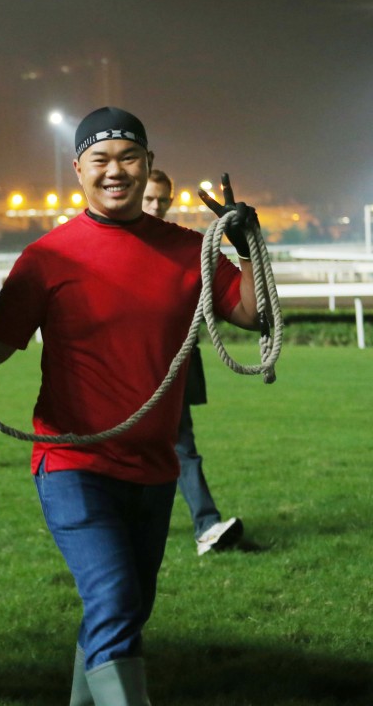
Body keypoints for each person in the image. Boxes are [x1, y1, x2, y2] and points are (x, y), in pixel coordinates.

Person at [0, 108, 261, 705]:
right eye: (101, 160)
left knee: (122, 612)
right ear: (78, 171)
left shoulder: (191, 251)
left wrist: (249, 250)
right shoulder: (47, 257)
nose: (116, 172)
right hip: (73, 467)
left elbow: (254, 315)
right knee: (115, 602)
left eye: (129, 158)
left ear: (149, 167)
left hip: (154, 468)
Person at [143, 170, 244, 556]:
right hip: (126, 368)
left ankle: (206, 525)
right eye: (149, 199)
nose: (156, 206)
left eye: (161, 200)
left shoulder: (184, 246)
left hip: (175, 364)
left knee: (183, 446)